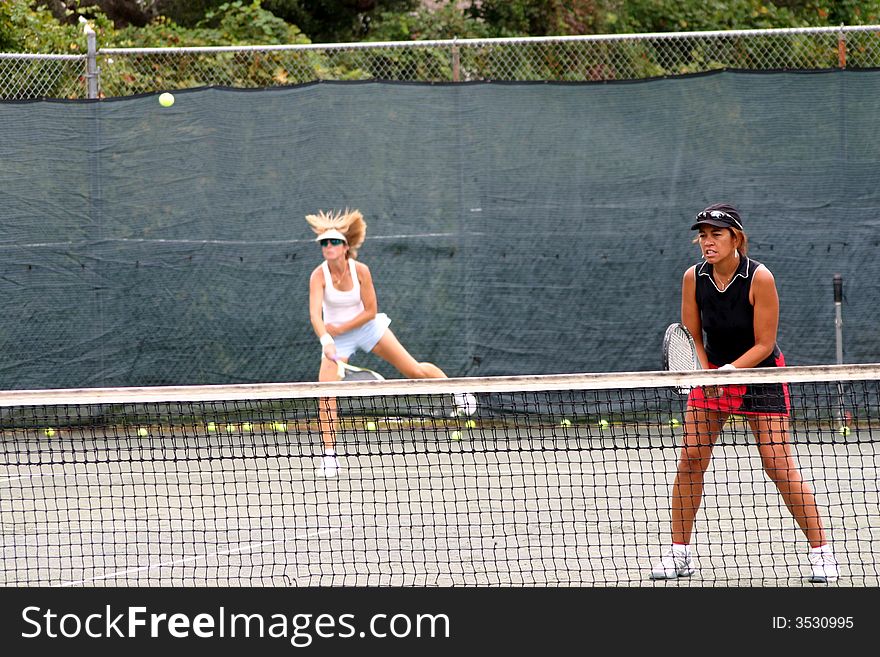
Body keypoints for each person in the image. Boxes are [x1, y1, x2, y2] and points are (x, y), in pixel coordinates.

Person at [650, 203, 838, 583]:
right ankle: (679, 554)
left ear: (736, 238)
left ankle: (823, 554)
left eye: (716, 234)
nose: (707, 242)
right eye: (702, 235)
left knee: (778, 466)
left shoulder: (759, 278)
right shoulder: (693, 277)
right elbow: (692, 337)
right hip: (714, 374)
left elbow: (765, 344)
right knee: (691, 459)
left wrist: (733, 371)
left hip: (760, 375)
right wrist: (706, 372)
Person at [306, 208, 476, 477]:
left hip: (367, 327)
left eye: (334, 241)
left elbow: (370, 311)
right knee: (325, 394)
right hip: (336, 339)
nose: (328, 246)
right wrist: (327, 339)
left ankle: (458, 391)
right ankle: (329, 457)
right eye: (324, 243)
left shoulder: (360, 270)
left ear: (345, 246)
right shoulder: (318, 275)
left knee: (415, 371)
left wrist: (342, 327)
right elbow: (315, 314)